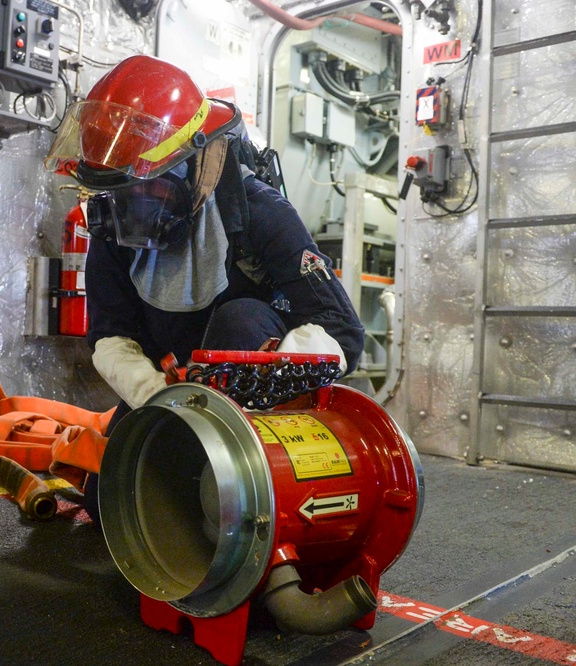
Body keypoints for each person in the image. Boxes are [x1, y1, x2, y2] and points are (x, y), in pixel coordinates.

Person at [44, 55, 364, 520]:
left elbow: (343, 331)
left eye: (144, 193)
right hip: (168, 384)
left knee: (240, 321)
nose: (128, 213)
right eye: (115, 195)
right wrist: (162, 400)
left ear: (192, 167)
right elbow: (110, 334)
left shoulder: (259, 210)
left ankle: (237, 479)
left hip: (251, 389)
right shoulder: (116, 220)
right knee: (108, 503)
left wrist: (275, 372)